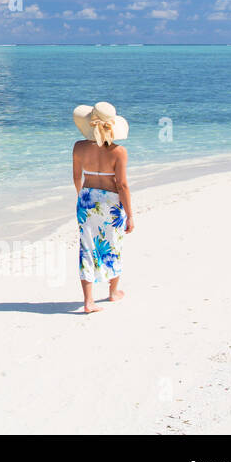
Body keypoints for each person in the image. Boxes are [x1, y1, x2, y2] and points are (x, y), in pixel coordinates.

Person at [71, 102, 134, 313]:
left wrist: (82, 197)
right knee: (113, 245)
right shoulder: (119, 152)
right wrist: (130, 215)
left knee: (87, 248)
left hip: (87, 199)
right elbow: (123, 185)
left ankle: (89, 301)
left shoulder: (78, 147)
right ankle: (113, 292)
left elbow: (76, 177)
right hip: (111, 202)